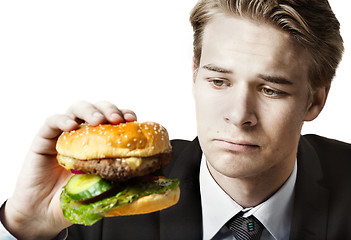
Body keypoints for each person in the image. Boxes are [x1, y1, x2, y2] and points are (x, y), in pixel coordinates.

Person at [1, 0, 350, 239]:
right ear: (194, 74)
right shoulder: (100, 209)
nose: (239, 114)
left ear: (315, 100)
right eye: (219, 81)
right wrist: (23, 224)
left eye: (271, 89)